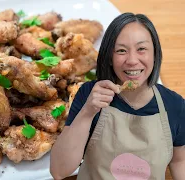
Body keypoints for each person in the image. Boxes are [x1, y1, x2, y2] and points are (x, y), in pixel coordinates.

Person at [50, 12, 185, 180]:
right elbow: (58, 171)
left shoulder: (175, 105)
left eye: (141, 49)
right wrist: (87, 111)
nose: (132, 60)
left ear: (155, 53)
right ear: (109, 58)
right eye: (121, 50)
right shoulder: (88, 94)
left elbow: (180, 161)